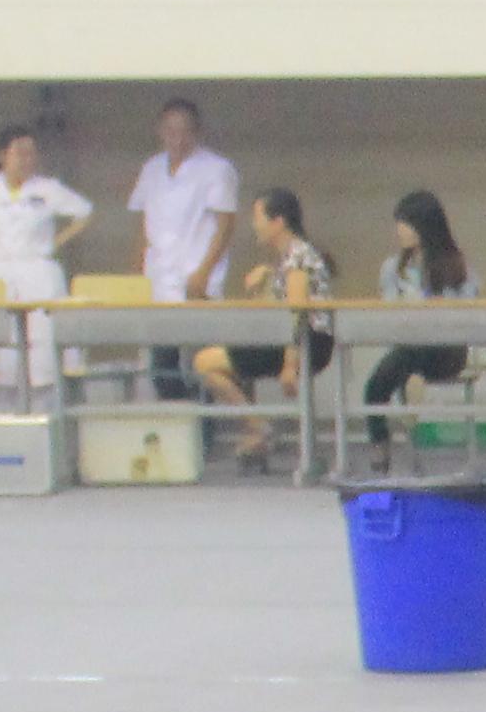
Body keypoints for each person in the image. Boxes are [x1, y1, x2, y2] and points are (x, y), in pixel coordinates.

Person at [0, 124, 92, 400]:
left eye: (31, 153)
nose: (27, 160)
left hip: (38, 270)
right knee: (3, 348)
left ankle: (46, 407)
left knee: (42, 347)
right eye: (20, 153)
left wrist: (55, 242)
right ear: (2, 156)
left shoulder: (47, 188)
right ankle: (5, 408)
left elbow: (84, 213)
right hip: (0, 272)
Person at [198, 185, 333, 463]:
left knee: (205, 363)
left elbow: (298, 313)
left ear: (278, 221)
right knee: (220, 359)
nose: (254, 225)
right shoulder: (290, 257)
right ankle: (257, 429)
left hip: (307, 343)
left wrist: (290, 365)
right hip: (293, 341)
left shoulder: (298, 257)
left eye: (258, 217)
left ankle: (258, 427)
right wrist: (267, 277)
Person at [363, 188, 480, 453]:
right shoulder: (393, 268)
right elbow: (389, 311)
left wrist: (441, 308)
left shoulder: (457, 266)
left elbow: (469, 309)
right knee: (377, 383)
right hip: (408, 345)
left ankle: (411, 386)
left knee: (406, 359)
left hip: (447, 350)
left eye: (406, 223)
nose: (400, 230)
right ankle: (379, 442)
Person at [126, 95, 241, 326]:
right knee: (158, 344)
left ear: (197, 132)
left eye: (185, 132)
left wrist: (203, 273)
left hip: (196, 281)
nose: (178, 140)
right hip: (156, 279)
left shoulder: (217, 169)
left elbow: (226, 226)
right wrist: (135, 275)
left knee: (197, 343)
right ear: (160, 131)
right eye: (171, 131)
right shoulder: (151, 168)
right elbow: (144, 226)